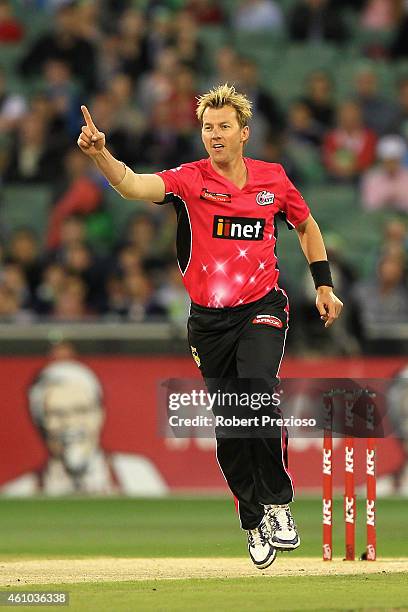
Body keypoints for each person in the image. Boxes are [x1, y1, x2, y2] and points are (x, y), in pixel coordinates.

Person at [77, 84, 343, 569]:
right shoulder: (190, 179)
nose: (214, 135)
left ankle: (279, 504)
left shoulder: (273, 178)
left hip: (262, 306)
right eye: (207, 128)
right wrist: (101, 155)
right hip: (208, 323)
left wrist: (323, 285)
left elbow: (306, 226)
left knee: (258, 393)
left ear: (245, 132)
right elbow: (133, 185)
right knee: (232, 426)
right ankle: (252, 520)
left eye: (224, 127)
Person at [0, 360, 168, 496]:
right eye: (57, 414)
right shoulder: (19, 493)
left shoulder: (136, 474)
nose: (70, 423)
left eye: (81, 410)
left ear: (100, 414)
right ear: (39, 421)